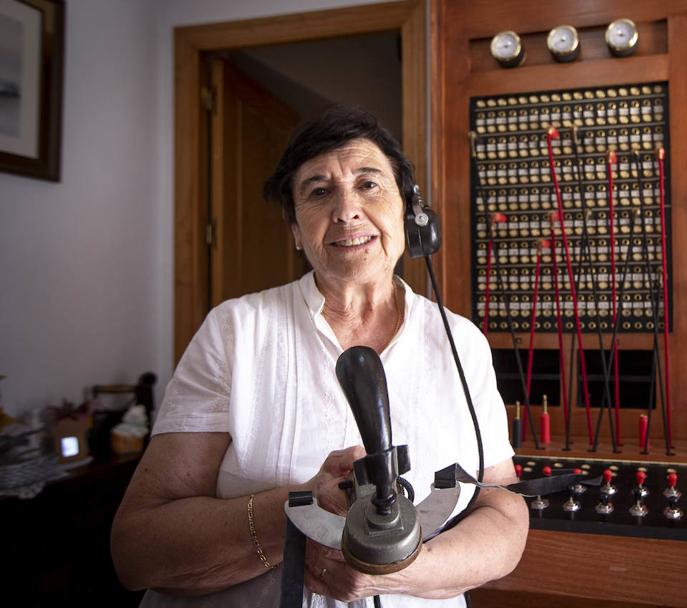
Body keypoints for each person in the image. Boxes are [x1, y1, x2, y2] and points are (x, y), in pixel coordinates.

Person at [111, 106, 528, 607]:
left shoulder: (460, 341)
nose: (347, 210)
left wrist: (395, 569)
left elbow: (503, 511)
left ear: (410, 212)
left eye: (369, 184)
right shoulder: (235, 331)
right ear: (295, 228)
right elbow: (137, 550)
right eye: (318, 191)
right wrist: (296, 512)